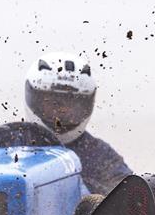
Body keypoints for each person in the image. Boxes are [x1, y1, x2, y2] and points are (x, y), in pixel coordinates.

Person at [23, 50, 132, 194]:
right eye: (54, 102)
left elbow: (132, 199)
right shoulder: (8, 142)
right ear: (35, 99)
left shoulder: (100, 156)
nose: (61, 110)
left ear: (86, 104)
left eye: (70, 103)